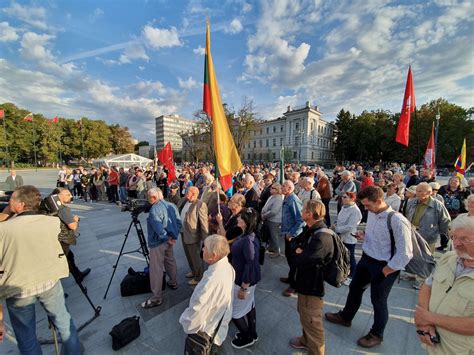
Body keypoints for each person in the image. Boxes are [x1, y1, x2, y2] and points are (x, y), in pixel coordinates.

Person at [325, 186, 413, 348]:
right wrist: (363, 235)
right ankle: (346, 317)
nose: (365, 209)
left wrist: (387, 270)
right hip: (366, 259)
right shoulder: (373, 212)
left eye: (367, 205)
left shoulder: (397, 220)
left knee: (378, 301)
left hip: (385, 266)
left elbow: (406, 253)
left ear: (379, 201)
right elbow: (379, 236)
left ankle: (377, 334)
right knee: (355, 289)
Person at [0, 185, 82, 354]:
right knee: (65, 325)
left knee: (26, 337)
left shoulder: (4, 229)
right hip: (49, 281)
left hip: (19, 289)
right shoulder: (51, 222)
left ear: (21, 204)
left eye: (12, 200)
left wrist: (8, 211)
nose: (9, 202)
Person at [414, 214, 474, 354]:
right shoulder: (449, 258)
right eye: (454, 237)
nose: (456, 244)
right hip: (432, 344)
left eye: (464, 239)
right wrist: (424, 322)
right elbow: (428, 285)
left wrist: (430, 318)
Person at [289, 200, 335, 354]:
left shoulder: (321, 237)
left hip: (312, 286)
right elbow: (293, 244)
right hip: (305, 283)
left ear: (310, 214)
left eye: (303, 210)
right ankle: (305, 340)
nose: (301, 211)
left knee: (312, 320)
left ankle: (316, 351)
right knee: (304, 314)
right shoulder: (311, 229)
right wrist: (298, 249)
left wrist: (299, 252)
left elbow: (300, 261)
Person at [179, 235, 235, 354]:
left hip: (207, 328)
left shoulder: (209, 281)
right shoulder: (229, 267)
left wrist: (186, 323)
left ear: (213, 256)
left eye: (205, 247)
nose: (202, 249)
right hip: (219, 322)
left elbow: (197, 307)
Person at [406, 183, 451, 289]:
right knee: (412, 255)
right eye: (417, 190)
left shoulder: (437, 205)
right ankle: (412, 274)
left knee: (425, 258)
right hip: (412, 233)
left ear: (429, 193)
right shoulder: (412, 202)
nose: (417, 193)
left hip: (428, 235)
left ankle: (422, 280)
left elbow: (445, 221)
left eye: (420, 191)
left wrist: (438, 232)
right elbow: (408, 214)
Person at [141, 188, 180, 308]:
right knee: (170, 260)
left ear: (153, 198)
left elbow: (159, 230)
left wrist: (167, 238)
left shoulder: (154, 210)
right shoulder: (172, 205)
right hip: (170, 239)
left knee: (156, 269)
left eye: (149, 197)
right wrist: (173, 237)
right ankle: (173, 282)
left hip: (159, 242)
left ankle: (156, 298)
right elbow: (178, 222)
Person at [230, 208, 261, 349]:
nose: (238, 219)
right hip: (246, 280)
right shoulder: (247, 236)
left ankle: (247, 337)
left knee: (235, 312)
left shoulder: (248, 240)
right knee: (250, 306)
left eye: (240, 218)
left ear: (246, 222)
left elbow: (251, 263)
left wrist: (243, 287)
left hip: (243, 282)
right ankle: (252, 332)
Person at [52, 187, 91, 283]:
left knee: (69, 257)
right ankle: (54, 285)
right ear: (59, 196)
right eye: (68, 195)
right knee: (63, 260)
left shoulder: (51, 205)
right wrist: (76, 220)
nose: (71, 196)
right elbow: (73, 226)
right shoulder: (63, 209)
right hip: (62, 239)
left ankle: (78, 275)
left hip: (55, 237)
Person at [178, 186, 209, 286]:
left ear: (194, 194)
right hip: (183, 233)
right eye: (187, 192)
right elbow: (175, 202)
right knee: (188, 256)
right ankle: (193, 271)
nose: (186, 194)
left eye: (188, 192)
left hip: (193, 236)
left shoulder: (200, 205)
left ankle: (199, 277)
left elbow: (204, 224)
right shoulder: (184, 200)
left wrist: (206, 241)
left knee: (195, 258)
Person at [280, 180, 305, 297]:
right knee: (289, 258)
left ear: (289, 188)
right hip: (288, 234)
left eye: (283, 186)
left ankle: (294, 286)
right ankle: (291, 278)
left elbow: (301, 220)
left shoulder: (293, 200)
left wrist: (291, 234)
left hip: (293, 236)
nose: (281, 187)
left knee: (295, 261)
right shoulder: (286, 198)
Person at [332, 191, 362, 286]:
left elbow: (350, 226)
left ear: (352, 199)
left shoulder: (355, 211)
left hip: (349, 237)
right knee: (342, 256)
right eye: (342, 197)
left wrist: (336, 229)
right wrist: (335, 224)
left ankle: (352, 276)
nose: (342, 199)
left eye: (345, 197)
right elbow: (339, 219)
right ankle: (342, 272)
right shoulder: (344, 207)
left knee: (350, 257)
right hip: (341, 236)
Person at [437, 176, 470, 251]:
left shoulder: (465, 191)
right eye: (452, 180)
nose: (453, 182)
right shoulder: (443, 189)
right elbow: (438, 198)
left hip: (459, 214)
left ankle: (458, 245)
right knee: (444, 229)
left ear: (459, 183)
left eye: (456, 181)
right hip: (445, 213)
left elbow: (469, 201)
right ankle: (444, 244)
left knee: (457, 231)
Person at [261, 182, 284, 257]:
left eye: (273, 188)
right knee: (271, 235)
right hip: (269, 219)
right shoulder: (272, 196)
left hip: (274, 220)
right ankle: (271, 247)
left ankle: (277, 251)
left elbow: (274, 211)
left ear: (277, 190)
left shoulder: (278, 198)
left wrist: (264, 215)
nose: (270, 189)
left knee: (274, 236)